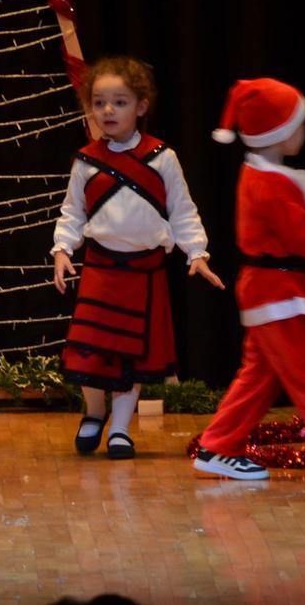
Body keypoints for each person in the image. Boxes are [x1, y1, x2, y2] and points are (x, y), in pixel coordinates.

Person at [52, 56, 223, 460]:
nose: (108, 110)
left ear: (141, 106)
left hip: (144, 274)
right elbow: (73, 212)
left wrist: (196, 252)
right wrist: (62, 249)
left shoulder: (163, 157)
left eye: (120, 102)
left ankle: (122, 429)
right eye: (99, 102)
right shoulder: (85, 161)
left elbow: (182, 210)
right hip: (99, 269)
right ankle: (94, 414)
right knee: (91, 350)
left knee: (132, 354)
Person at [193, 78, 305, 480]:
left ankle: (217, 446)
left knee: (259, 377)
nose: (304, 132)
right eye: (299, 124)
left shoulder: (262, 175)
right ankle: (218, 446)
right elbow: (302, 236)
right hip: (278, 293)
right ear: (279, 133)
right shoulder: (270, 183)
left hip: (270, 291)